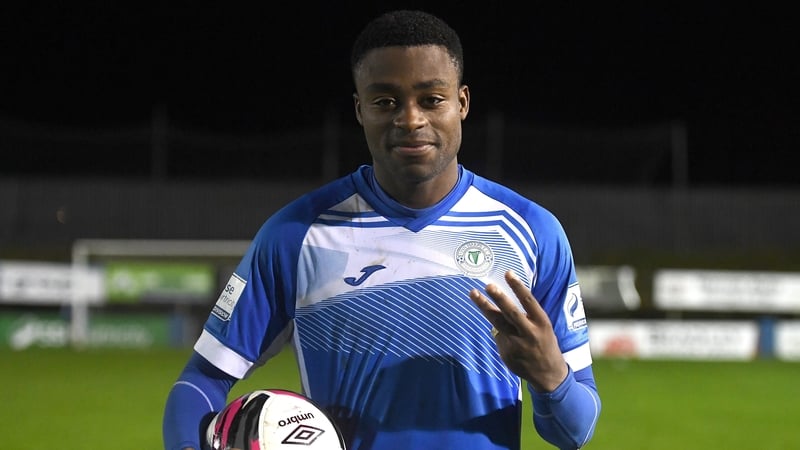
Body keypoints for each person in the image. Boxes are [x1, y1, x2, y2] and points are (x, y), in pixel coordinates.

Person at [163, 9, 601, 450]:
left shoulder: (533, 232)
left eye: (431, 99)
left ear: (462, 104)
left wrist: (552, 379)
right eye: (385, 102)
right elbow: (202, 381)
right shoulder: (295, 236)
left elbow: (573, 431)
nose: (410, 119)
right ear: (360, 109)